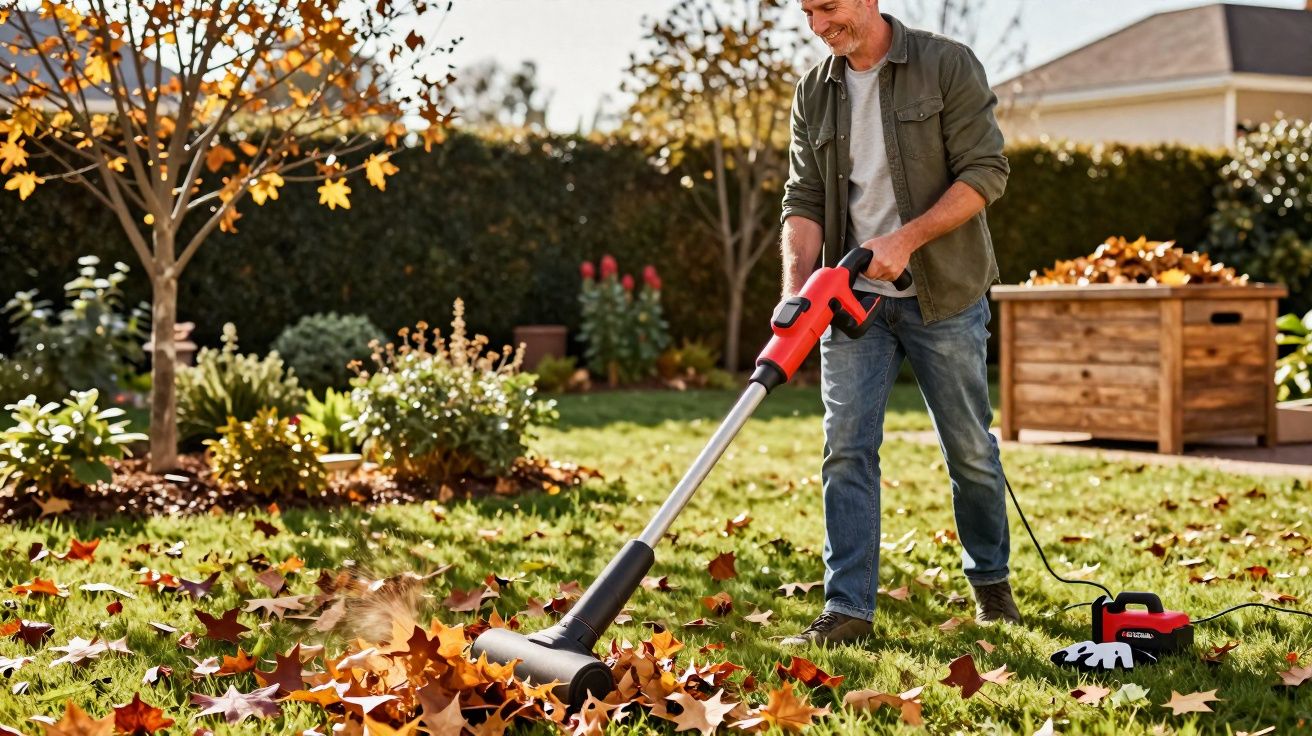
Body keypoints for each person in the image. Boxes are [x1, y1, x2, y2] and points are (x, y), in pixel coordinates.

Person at [779, 0, 1017, 647]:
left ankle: (991, 584)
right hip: (851, 301)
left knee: (969, 450)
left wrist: (906, 240)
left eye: (828, 7)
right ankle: (847, 608)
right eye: (807, 12)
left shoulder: (945, 65)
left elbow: (985, 172)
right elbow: (803, 198)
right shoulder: (814, 91)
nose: (817, 27)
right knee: (846, 450)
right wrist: (796, 294)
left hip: (946, 294)